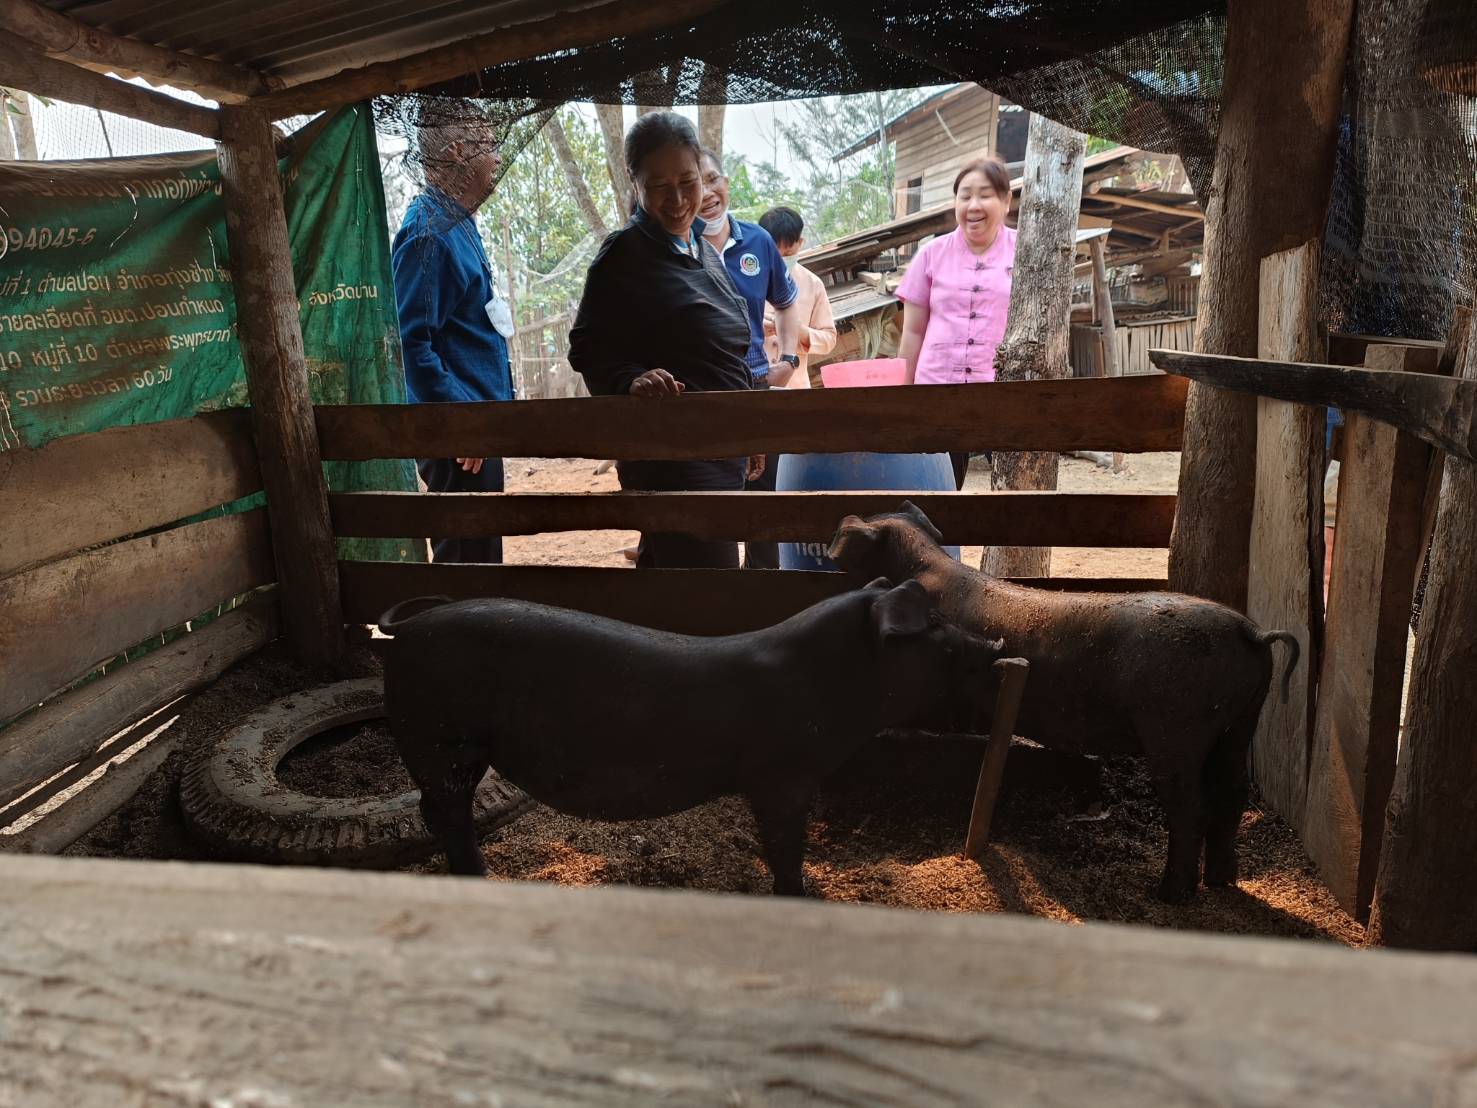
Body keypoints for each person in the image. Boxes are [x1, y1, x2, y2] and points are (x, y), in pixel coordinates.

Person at [568, 112, 764, 570]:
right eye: (658, 185)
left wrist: (754, 427)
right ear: (633, 182)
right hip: (676, 462)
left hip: (723, 456)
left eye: (687, 180)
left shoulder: (702, 250)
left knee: (676, 589)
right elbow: (588, 348)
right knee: (704, 602)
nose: (677, 199)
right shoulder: (624, 256)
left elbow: (730, 352)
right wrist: (632, 379)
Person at [392, 114, 514, 563]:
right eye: (488, 143)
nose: (499, 155)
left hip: (477, 435)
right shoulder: (429, 234)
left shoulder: (458, 222)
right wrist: (459, 425)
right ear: (457, 154)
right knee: (466, 568)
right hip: (459, 443)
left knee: (481, 560)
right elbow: (412, 344)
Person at [697, 149, 801, 569]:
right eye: (696, 183)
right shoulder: (676, 246)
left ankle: (763, 596)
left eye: (713, 179)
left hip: (755, 388)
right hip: (700, 397)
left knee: (764, 510)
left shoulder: (757, 241)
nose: (708, 193)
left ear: (727, 182)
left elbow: (787, 302)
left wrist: (789, 360)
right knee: (711, 511)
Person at [895, 156, 1016, 490]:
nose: (973, 205)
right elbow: (913, 330)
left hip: (1001, 392)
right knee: (936, 491)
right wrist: (902, 395)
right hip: (937, 389)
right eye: (965, 196)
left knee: (1015, 487)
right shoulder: (931, 254)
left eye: (985, 194)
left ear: (1006, 201)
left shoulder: (1024, 252)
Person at [758, 205, 837, 388]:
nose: (780, 260)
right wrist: (757, 329)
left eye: (788, 254)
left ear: (800, 243)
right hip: (752, 386)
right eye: (774, 254)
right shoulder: (746, 279)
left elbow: (829, 339)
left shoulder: (813, 284)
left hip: (796, 388)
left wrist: (800, 331)